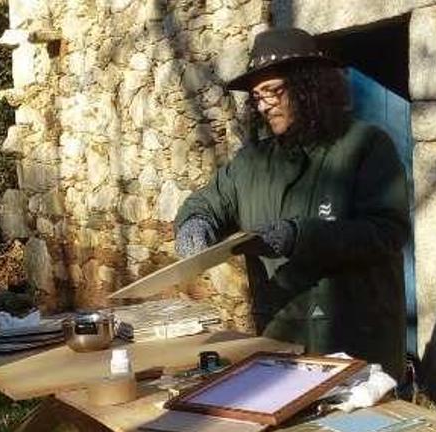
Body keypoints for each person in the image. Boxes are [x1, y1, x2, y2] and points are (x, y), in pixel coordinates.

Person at [174, 27, 410, 380]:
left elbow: (388, 231)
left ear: (308, 86)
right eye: (256, 96)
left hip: (357, 342)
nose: (263, 104)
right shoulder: (252, 162)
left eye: (273, 91)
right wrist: (194, 223)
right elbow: (208, 202)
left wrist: (300, 236)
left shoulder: (365, 145)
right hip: (281, 338)